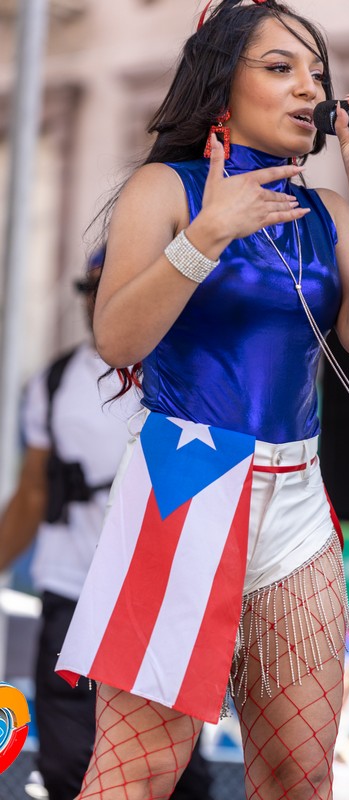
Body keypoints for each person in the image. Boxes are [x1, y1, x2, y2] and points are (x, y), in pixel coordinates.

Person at [56, 1, 349, 798]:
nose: (307, 89)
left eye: (316, 73)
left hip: (295, 495)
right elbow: (118, 340)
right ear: (221, 87)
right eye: (279, 69)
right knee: (141, 770)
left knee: (298, 773)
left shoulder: (326, 212)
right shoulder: (164, 188)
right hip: (187, 483)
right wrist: (208, 233)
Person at [0, 254, 214, 800]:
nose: (96, 298)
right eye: (88, 287)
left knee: (170, 767)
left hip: (158, 598)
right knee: (68, 762)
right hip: (71, 591)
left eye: (112, 283)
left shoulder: (188, 372)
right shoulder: (53, 382)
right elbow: (32, 492)